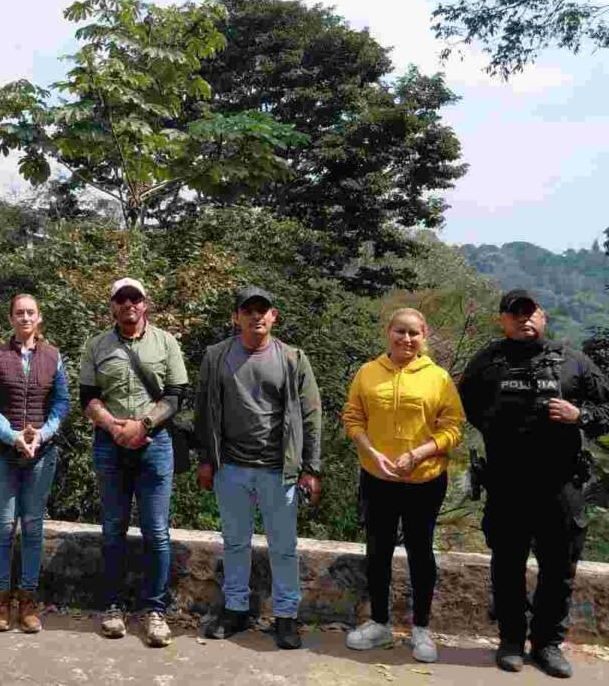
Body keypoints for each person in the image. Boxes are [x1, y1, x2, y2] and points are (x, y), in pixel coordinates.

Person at [458, 289, 609, 678]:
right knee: (507, 565)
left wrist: (581, 415)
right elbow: (461, 403)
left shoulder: (572, 360)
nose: (524, 319)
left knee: (559, 568)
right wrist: (497, 428)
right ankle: (510, 641)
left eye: (531, 313)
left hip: (561, 485)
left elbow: (607, 406)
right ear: (503, 320)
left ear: (542, 317)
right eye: (515, 313)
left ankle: (548, 645)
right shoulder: (487, 361)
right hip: (507, 485)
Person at [193, 286, 322, 650]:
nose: (256, 316)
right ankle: (235, 610)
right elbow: (203, 410)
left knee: (284, 547)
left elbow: (311, 415)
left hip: (278, 470)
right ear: (236, 317)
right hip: (230, 467)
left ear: (273, 316)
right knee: (235, 543)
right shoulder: (216, 356)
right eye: (248, 310)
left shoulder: (292, 358)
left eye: (262, 310)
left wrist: (311, 468)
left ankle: (285, 617)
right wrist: (206, 460)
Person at [342, 308, 465, 663]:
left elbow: (453, 427)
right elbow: (353, 417)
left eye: (414, 333)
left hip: (424, 480)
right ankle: (379, 623)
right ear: (388, 332)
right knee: (377, 550)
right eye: (400, 331)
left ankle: (421, 628)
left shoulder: (438, 378)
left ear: (424, 335)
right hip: (377, 477)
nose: (406, 339)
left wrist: (418, 454)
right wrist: (370, 451)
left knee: (420, 552)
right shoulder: (367, 373)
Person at [80, 277, 188, 648]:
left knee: (156, 532)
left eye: (135, 298)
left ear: (145, 304)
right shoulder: (97, 346)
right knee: (113, 529)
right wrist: (114, 427)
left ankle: (154, 610)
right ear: (113, 305)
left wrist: (142, 425)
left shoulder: (166, 343)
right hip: (110, 445)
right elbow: (88, 398)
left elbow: (176, 396)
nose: (128, 304)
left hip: (155, 444)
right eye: (121, 298)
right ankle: (113, 606)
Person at [0, 294, 70, 633]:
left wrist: (42, 434)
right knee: (4, 526)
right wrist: (12, 435)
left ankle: (28, 600)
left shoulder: (53, 356)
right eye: (19, 313)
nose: (25, 317)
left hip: (41, 455)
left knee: (32, 526)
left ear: (39, 318)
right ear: (11, 319)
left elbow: (62, 402)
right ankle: (1, 599)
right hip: (3, 452)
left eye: (31, 312)